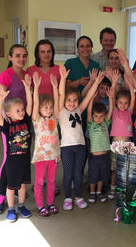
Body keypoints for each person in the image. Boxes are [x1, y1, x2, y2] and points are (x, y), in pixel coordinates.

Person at [58, 65, 104, 211]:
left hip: (80, 147)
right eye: (69, 100)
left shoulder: (79, 109)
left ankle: (77, 197)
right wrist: (63, 79)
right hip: (66, 147)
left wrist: (95, 83)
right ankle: (67, 198)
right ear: (64, 101)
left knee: (78, 174)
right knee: (68, 174)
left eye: (74, 100)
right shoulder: (61, 112)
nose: (72, 103)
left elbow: (89, 96)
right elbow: (60, 95)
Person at [0, 44, 28, 214]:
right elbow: (2, 99)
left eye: (24, 55)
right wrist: (6, 120)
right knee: (9, 159)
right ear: (10, 57)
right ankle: (1, 195)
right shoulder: (6, 75)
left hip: (24, 122)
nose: (21, 58)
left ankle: (16, 187)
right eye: (18, 55)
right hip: (10, 124)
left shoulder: (27, 75)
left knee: (22, 156)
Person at [27, 39, 61, 196]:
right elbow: (27, 92)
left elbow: (61, 92)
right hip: (37, 116)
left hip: (53, 114)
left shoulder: (58, 69)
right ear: (37, 54)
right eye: (42, 51)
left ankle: (50, 182)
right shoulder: (31, 70)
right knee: (40, 146)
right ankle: (39, 181)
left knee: (52, 145)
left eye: (49, 51)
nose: (46, 54)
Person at [31, 72, 61, 217]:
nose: (48, 110)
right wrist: (36, 87)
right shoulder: (37, 120)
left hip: (53, 156)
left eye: (50, 107)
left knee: (51, 181)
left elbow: (56, 102)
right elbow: (36, 103)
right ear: (39, 110)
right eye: (45, 107)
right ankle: (40, 205)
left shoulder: (54, 118)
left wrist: (55, 87)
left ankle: (50, 203)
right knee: (39, 182)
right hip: (41, 157)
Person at [109, 76, 135, 199]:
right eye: (120, 103)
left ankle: (124, 188)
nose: (123, 105)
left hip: (127, 145)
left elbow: (133, 97)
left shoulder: (129, 111)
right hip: (115, 145)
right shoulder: (114, 111)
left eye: (126, 103)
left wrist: (130, 86)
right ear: (116, 103)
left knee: (126, 169)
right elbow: (112, 96)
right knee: (114, 169)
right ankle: (113, 188)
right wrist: (114, 82)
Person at [86, 88, 114, 203]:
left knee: (103, 175)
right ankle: (92, 193)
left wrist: (111, 98)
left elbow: (111, 110)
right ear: (93, 116)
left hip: (105, 156)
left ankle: (99, 192)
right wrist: (91, 100)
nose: (98, 119)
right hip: (95, 157)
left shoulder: (105, 123)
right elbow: (88, 112)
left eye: (101, 116)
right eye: (96, 116)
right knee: (93, 175)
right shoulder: (91, 124)